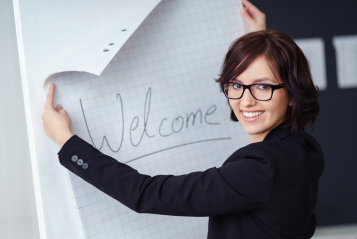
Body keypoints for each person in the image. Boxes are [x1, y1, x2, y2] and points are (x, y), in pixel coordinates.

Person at [42, 0, 324, 238]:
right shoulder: (305, 149)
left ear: (292, 92)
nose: (245, 100)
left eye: (263, 86)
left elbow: (145, 194)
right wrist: (260, 44)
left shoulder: (260, 169)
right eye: (236, 85)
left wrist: (67, 142)